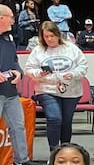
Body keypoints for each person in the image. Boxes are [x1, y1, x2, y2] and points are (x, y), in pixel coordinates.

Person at [24, 21, 88, 152]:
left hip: (71, 91)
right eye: (46, 36)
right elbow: (29, 69)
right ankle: (53, 151)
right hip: (46, 89)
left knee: (66, 122)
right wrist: (39, 73)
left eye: (52, 36)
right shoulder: (38, 51)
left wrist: (74, 73)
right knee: (54, 118)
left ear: (58, 35)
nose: (49, 39)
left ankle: (64, 150)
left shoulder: (71, 48)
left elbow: (83, 66)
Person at [0, 4, 41, 165]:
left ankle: (20, 159)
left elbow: (15, 60)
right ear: (1, 18)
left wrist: (18, 72)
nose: (13, 20)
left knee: (18, 126)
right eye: (11, 16)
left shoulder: (9, 38)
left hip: (10, 91)